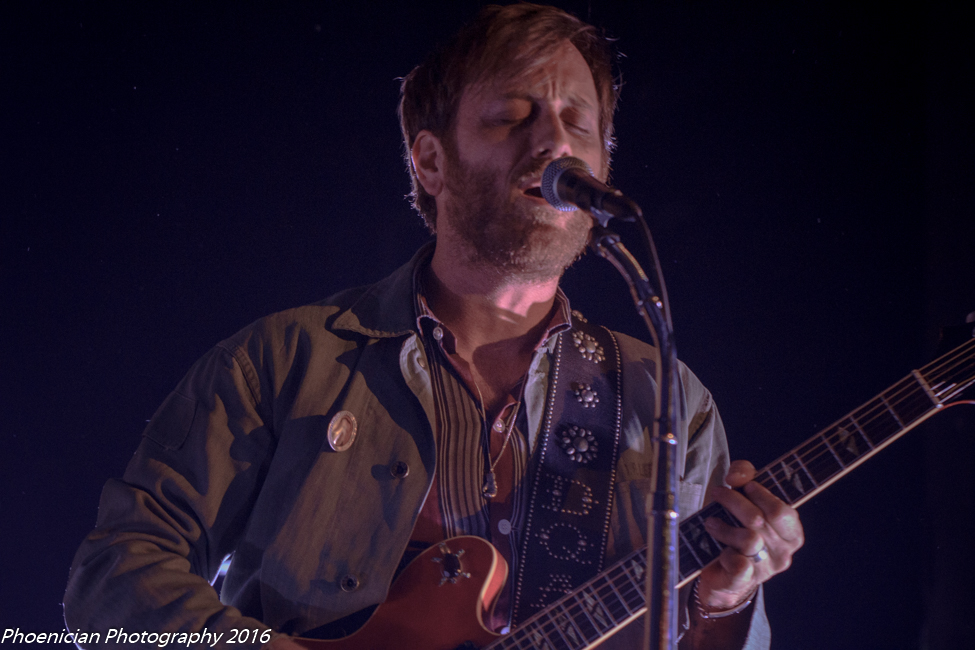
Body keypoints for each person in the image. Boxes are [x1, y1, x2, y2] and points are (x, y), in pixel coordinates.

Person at [63, 4, 803, 649]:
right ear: (430, 162)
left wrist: (725, 596)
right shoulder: (283, 362)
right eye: (512, 116)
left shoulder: (664, 397)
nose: (554, 143)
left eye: (578, 121)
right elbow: (110, 581)